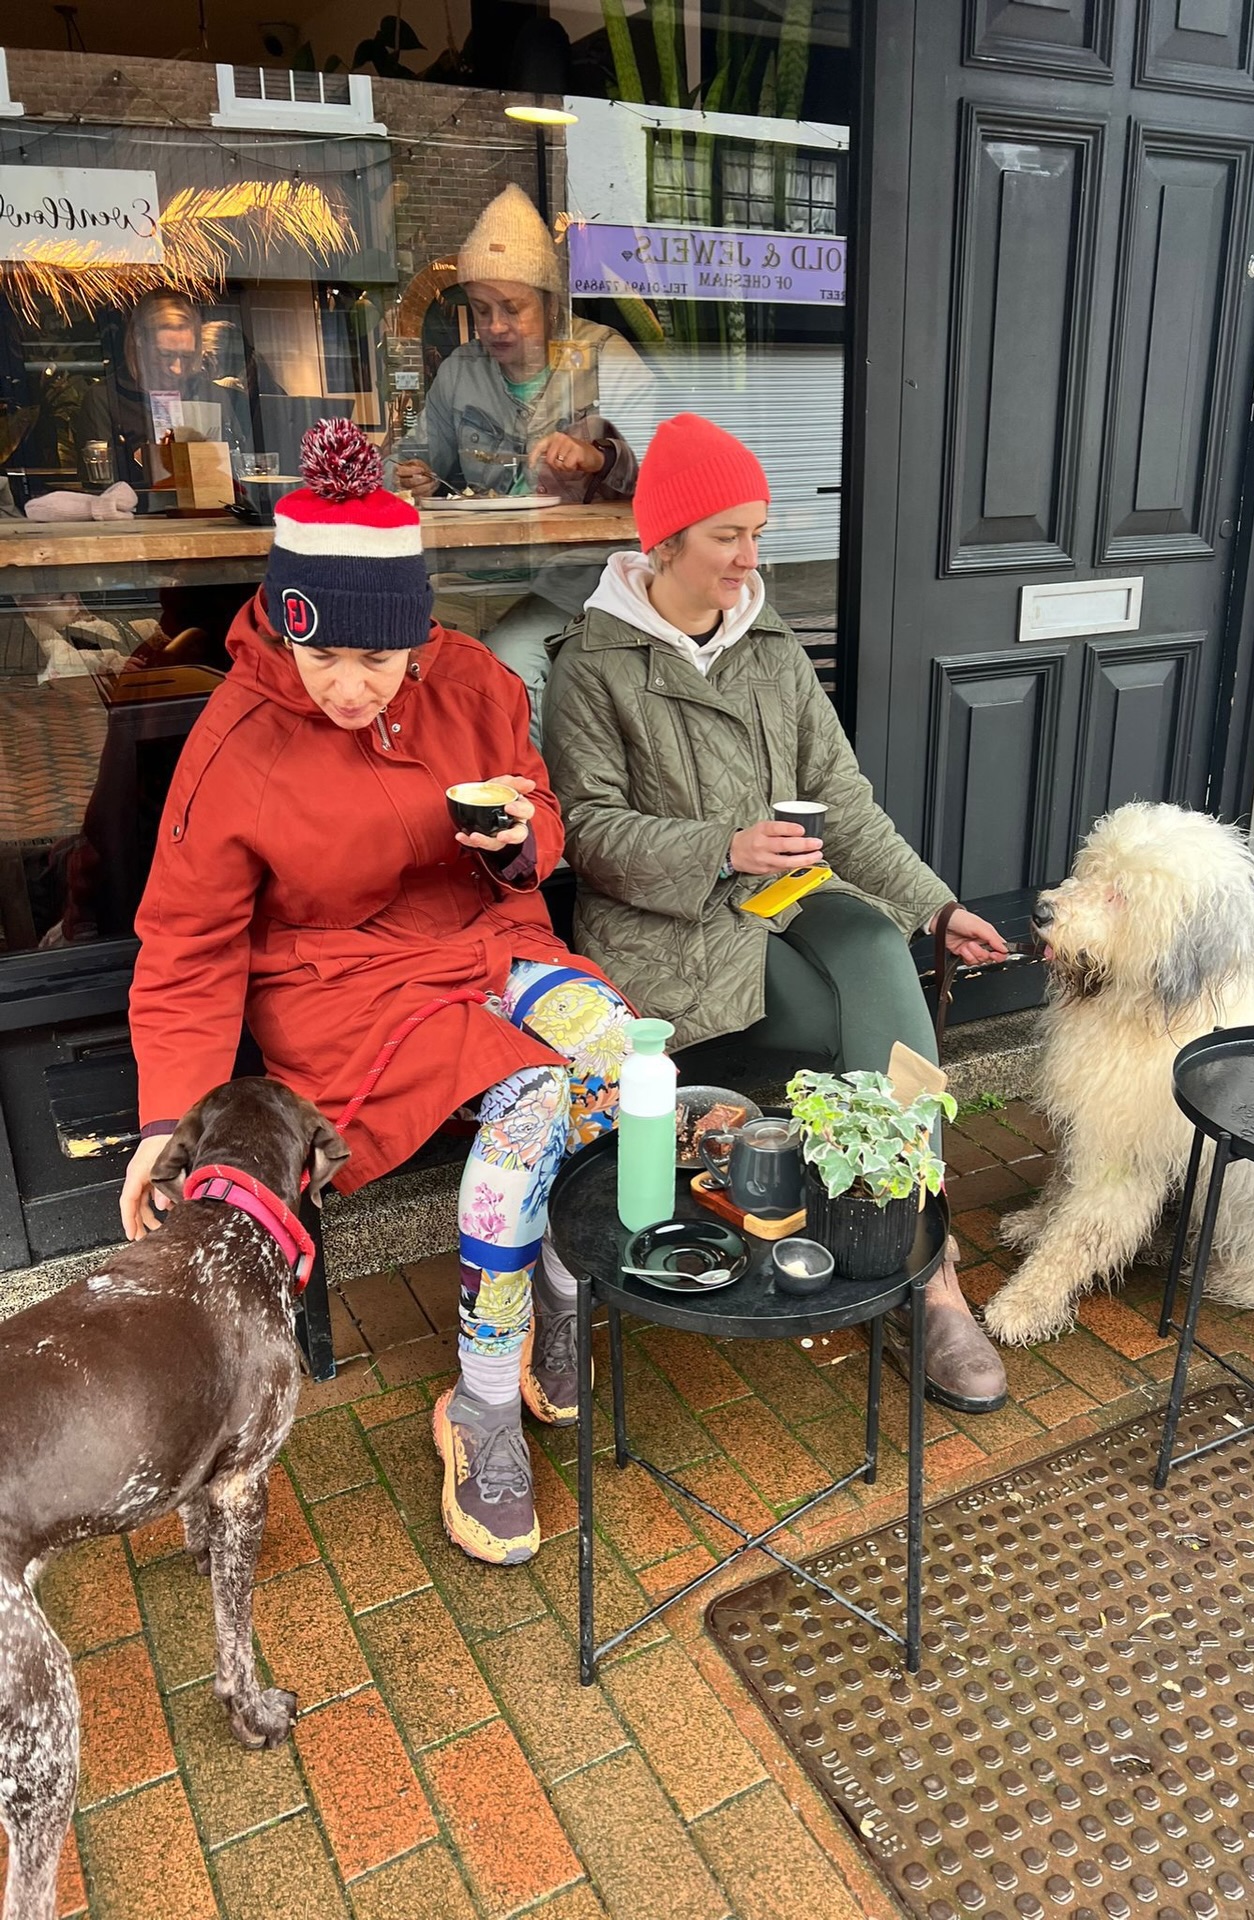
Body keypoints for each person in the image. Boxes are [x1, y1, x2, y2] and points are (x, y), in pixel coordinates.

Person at [119, 419, 631, 1568]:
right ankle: (482, 1405)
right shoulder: (235, 739)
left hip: (482, 939)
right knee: (537, 1105)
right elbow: (190, 942)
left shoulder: (475, 683)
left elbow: (541, 819)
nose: (350, 687)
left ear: (420, 634)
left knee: (620, 1055)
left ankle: (552, 1286)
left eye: (379, 659)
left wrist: (516, 842)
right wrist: (173, 1118)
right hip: (340, 983)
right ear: (285, 628)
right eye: (323, 659)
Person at [544, 414, 1011, 1413]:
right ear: (664, 541)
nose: (752, 558)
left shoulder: (771, 644)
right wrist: (722, 846)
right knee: (876, 1032)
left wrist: (935, 907)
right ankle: (918, 1270)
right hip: (673, 934)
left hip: (786, 907)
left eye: (758, 532)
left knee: (883, 951)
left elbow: (841, 799)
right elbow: (587, 834)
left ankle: (927, 1269)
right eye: (728, 536)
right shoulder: (591, 666)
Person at [392, 185, 651, 740]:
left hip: (584, 575)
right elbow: (413, 457)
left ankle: (530, 809)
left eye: (514, 308)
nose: (496, 327)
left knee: (510, 658)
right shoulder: (461, 370)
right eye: (482, 310)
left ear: (552, 304)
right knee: (402, 655)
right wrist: (405, 474)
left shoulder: (606, 356)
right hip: (476, 575)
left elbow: (664, 471)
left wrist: (600, 455)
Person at [75, 291, 250, 505]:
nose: (177, 369)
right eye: (165, 355)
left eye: (186, 356)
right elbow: (97, 487)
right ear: (139, 338)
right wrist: (143, 461)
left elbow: (242, 467)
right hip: (136, 524)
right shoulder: (104, 398)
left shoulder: (211, 394)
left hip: (212, 516)